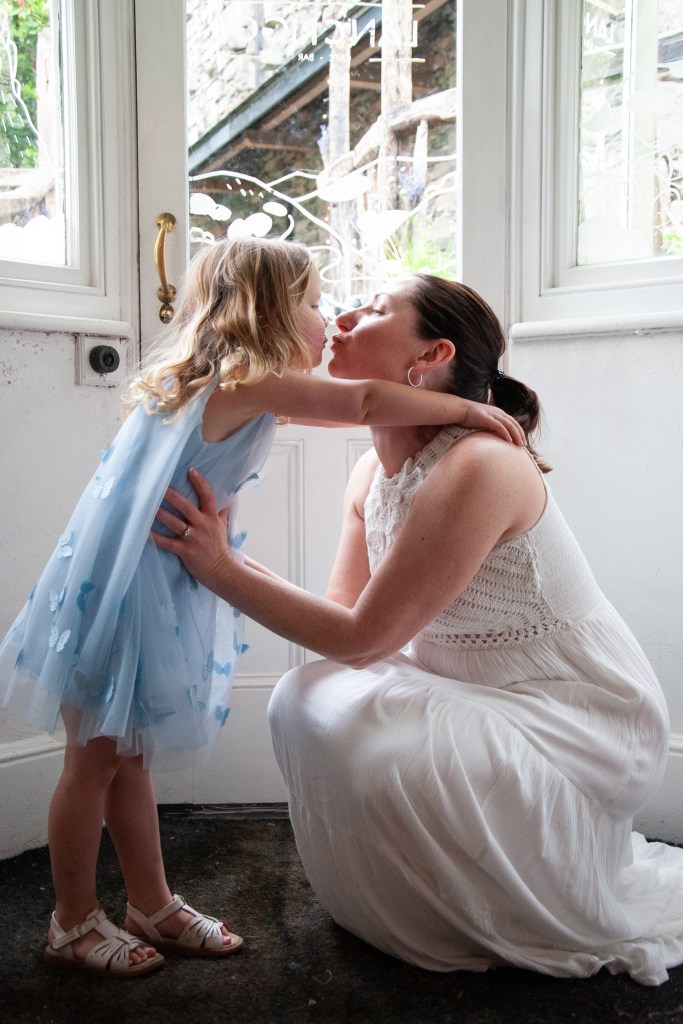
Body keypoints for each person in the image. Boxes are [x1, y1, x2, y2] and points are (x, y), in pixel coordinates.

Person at [0, 240, 524, 979]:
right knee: (91, 766)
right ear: (268, 311)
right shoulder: (247, 380)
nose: (327, 319)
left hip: (139, 589)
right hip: (125, 599)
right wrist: (468, 406)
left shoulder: (212, 380)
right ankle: (71, 921)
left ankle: (150, 903)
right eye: (313, 302)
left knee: (126, 759)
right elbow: (363, 404)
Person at [153, 272, 683, 988]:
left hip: (572, 715)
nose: (342, 317)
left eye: (374, 309)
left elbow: (360, 640)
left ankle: (490, 912)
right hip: (465, 688)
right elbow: (342, 626)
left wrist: (221, 569)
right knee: (303, 694)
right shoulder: (370, 472)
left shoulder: (480, 465)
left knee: (377, 736)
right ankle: (410, 907)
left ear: (430, 356)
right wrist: (225, 557)